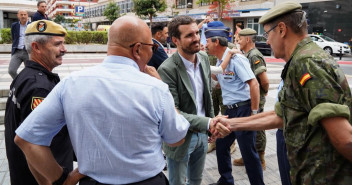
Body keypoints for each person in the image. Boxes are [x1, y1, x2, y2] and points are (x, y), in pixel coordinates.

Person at [14, 15, 193, 185]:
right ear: (137, 49)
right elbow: (176, 138)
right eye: (152, 48)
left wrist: (61, 179)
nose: (152, 53)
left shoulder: (72, 83)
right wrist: (163, 88)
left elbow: (26, 138)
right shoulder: (155, 88)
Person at [214, 2, 352, 184]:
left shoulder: (307, 63)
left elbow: (345, 139)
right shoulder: (300, 60)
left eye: (267, 34)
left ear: (281, 29)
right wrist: (231, 124)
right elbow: (282, 115)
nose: (267, 41)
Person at [158, 15, 227, 185]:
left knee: (196, 180)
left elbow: (207, 97)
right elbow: (173, 111)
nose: (196, 38)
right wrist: (208, 122)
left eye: (197, 33)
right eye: (189, 35)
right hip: (180, 138)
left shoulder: (203, 58)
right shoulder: (167, 69)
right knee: (178, 182)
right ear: (175, 40)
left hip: (203, 134)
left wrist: (210, 129)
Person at [5, 20, 73, 185]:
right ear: (36, 47)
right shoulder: (39, 88)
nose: (64, 49)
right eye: (58, 44)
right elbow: (33, 142)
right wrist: (61, 180)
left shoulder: (24, 76)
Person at [205, 21, 264, 185]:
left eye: (207, 41)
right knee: (222, 146)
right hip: (229, 111)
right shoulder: (220, 61)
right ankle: (226, 180)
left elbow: (254, 84)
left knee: (248, 153)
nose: (205, 45)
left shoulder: (237, 59)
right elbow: (217, 78)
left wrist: (253, 113)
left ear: (216, 42)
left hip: (244, 109)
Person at [232, 28, 269, 170]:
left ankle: (260, 159)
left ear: (247, 39)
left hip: (256, 97)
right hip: (250, 97)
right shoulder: (246, 54)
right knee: (251, 128)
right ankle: (249, 156)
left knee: (258, 127)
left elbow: (264, 80)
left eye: (239, 39)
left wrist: (263, 93)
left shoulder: (254, 55)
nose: (238, 42)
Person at [8, 10, 30, 79]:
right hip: (17, 52)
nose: (23, 16)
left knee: (30, 72)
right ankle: (19, 83)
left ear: (27, 16)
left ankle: (28, 87)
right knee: (11, 70)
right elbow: (14, 37)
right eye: (21, 14)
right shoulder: (14, 25)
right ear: (18, 16)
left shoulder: (32, 25)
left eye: (24, 14)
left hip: (28, 52)